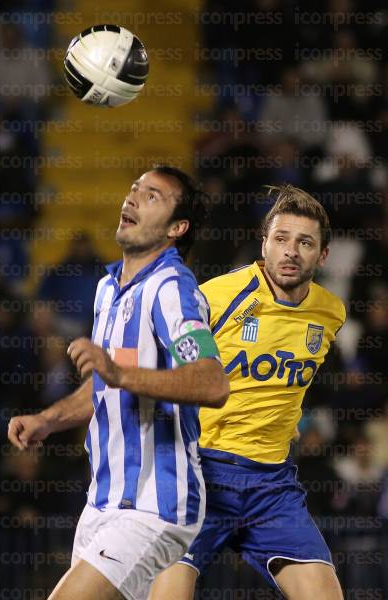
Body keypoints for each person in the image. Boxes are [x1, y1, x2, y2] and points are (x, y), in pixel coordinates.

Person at [7, 165, 230, 600]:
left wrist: (118, 372)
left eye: (152, 196)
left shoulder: (172, 288)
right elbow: (106, 387)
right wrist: (49, 420)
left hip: (154, 505)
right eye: (134, 189)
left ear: (176, 228)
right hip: (102, 503)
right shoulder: (108, 290)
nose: (132, 198)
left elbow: (212, 382)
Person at [150, 184, 346, 600]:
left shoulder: (331, 312)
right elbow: (160, 365)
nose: (291, 251)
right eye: (281, 239)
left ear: (323, 255)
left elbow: (281, 385)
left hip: (272, 486)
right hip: (201, 474)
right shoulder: (217, 296)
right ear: (264, 244)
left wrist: (283, 422)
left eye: (305, 243)